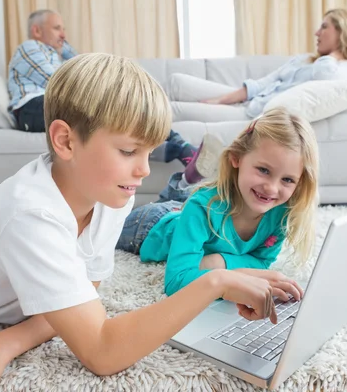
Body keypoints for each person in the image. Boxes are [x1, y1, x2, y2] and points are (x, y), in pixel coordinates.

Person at [0, 53, 281, 392]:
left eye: (149, 152)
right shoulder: (31, 216)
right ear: (66, 141)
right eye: (128, 150)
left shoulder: (109, 191)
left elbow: (90, 286)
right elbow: (103, 353)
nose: (143, 170)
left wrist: (4, 342)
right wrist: (215, 281)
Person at [117, 107, 319, 303]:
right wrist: (233, 277)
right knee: (108, 225)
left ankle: (187, 178)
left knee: (187, 201)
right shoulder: (202, 207)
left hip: (188, 212)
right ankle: (185, 177)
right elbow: (176, 282)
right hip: (148, 226)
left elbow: (262, 262)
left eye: (288, 180)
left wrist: (218, 262)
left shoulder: (280, 213)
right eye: (264, 170)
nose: (272, 189)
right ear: (236, 158)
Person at [8, 9, 196, 164]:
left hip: (55, 102)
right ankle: (178, 150)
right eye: (57, 28)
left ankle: (176, 147)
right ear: (37, 31)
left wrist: (62, 45)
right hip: (33, 107)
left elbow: (84, 62)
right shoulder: (29, 47)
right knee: (109, 109)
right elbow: (56, 82)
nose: (63, 34)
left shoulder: (57, 53)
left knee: (124, 109)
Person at [170, 8, 347, 122]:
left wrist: (335, 53)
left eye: (324, 27)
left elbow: (327, 79)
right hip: (250, 100)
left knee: (174, 109)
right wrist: (221, 100)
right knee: (177, 82)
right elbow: (265, 82)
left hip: (252, 112)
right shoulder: (305, 59)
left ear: (343, 31)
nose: (317, 33)